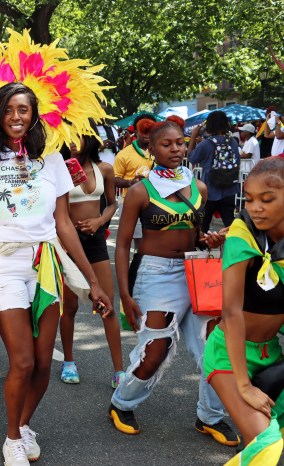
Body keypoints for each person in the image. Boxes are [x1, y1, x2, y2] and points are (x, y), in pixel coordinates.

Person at [0, 83, 112, 465]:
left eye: (23, 109)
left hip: (46, 265)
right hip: (1, 262)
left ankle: (22, 426)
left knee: (42, 363)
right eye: (8, 110)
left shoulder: (51, 158)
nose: (16, 117)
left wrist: (92, 282)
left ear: (34, 114)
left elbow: (64, 224)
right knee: (22, 361)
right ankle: (11, 440)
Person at [108, 116, 239, 448]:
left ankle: (209, 416)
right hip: (155, 273)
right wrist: (123, 292)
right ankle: (121, 403)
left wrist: (209, 241)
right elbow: (123, 245)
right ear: (151, 149)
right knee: (156, 349)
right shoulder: (140, 190)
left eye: (180, 142)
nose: (176, 149)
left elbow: (195, 236)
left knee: (214, 348)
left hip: (195, 272)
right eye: (166, 144)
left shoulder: (201, 189)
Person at [203, 157, 284, 465]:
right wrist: (243, 385)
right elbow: (231, 311)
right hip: (229, 354)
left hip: (272, 354)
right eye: (249, 199)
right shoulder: (242, 235)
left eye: (267, 199)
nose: (255, 208)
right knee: (266, 446)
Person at [59, 129, 124, 387]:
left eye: (79, 136)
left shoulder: (104, 169)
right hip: (67, 244)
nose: (74, 142)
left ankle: (119, 370)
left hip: (95, 240)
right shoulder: (59, 170)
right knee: (70, 307)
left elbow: (112, 203)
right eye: (68, 137)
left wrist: (99, 221)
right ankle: (69, 361)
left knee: (107, 304)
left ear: (90, 139)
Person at [189, 110, 241, 232]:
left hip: (210, 190)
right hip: (229, 188)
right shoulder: (232, 141)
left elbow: (192, 158)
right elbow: (237, 160)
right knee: (230, 223)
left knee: (204, 222)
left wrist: (193, 136)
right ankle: (236, 246)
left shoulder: (206, 143)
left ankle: (202, 248)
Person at [114, 114, 156, 250]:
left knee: (153, 242)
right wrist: (130, 183)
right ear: (136, 131)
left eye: (151, 130)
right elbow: (114, 179)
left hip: (157, 203)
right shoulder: (124, 154)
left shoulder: (161, 150)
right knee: (139, 244)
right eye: (144, 129)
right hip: (131, 204)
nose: (147, 134)